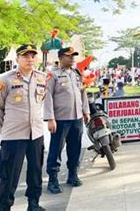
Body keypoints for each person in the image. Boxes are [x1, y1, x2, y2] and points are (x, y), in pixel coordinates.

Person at [0, 44, 47, 211]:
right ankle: (5, 207)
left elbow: (40, 103)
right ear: (17, 59)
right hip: (14, 136)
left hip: (36, 134)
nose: (30, 59)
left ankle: (33, 203)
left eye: (32, 56)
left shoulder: (42, 78)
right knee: (9, 175)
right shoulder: (5, 80)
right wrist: (6, 130)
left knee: (36, 171)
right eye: (25, 56)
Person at [44, 47, 90, 194]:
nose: (72, 59)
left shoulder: (76, 74)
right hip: (60, 119)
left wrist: (86, 111)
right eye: (69, 56)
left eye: (73, 56)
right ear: (61, 57)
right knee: (56, 150)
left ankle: (73, 175)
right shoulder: (53, 75)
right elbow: (48, 96)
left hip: (76, 118)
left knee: (75, 148)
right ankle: (53, 179)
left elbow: (83, 93)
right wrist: (50, 118)